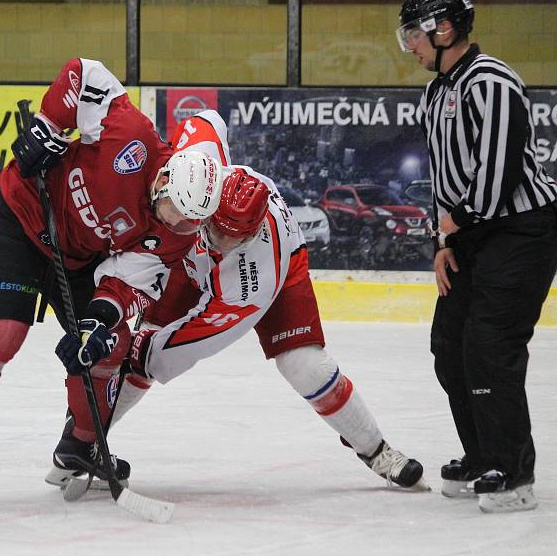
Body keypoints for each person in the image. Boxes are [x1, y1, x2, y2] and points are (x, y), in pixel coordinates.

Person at [0, 57, 224, 499]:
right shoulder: (131, 135)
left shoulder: (176, 234)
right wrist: (48, 125)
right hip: (20, 218)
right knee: (2, 334)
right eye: (177, 212)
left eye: (190, 221)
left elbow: (128, 281)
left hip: (76, 259)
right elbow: (85, 73)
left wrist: (98, 322)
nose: (180, 226)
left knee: (112, 343)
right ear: (163, 180)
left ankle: (81, 445)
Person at [59, 162, 429, 491]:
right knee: (141, 341)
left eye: (234, 239)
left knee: (305, 366)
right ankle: (85, 440)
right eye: (218, 232)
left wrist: (146, 351)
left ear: (252, 234)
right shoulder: (206, 186)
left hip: (276, 277)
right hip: (191, 263)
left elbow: (196, 341)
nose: (223, 243)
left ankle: (377, 451)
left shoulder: (253, 281)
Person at [397, 0, 557, 512]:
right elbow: (445, 176)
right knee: (450, 347)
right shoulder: (437, 91)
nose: (410, 46)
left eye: (413, 35)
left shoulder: (491, 82)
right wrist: (444, 242)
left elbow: (499, 172)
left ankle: (514, 473)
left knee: (490, 347)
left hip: (521, 232)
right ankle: (482, 454)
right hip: (472, 235)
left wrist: (455, 227)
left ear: (444, 30)